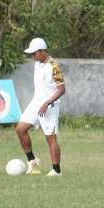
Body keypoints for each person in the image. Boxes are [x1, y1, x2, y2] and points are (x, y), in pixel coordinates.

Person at [15, 38, 66, 176]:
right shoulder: (37, 63)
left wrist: (48, 102)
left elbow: (62, 90)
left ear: (42, 51)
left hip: (50, 105)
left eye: (34, 53)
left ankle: (56, 170)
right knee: (20, 128)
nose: (32, 57)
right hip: (36, 102)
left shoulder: (54, 66)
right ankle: (32, 160)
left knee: (51, 138)